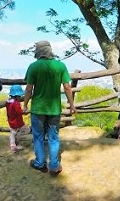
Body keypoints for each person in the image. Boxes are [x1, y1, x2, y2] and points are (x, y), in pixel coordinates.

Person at [23, 40, 75, 176]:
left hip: (38, 108)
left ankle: (40, 163)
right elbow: (67, 87)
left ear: (38, 51)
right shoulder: (60, 66)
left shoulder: (33, 66)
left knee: (38, 136)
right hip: (54, 109)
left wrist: (25, 104)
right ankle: (54, 165)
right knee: (53, 137)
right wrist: (72, 105)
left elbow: (29, 89)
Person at [6, 84, 27, 152]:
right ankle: (16, 141)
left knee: (12, 132)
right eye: (19, 96)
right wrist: (25, 111)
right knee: (25, 130)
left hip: (11, 120)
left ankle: (12, 145)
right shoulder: (16, 103)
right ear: (16, 96)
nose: (20, 97)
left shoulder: (8, 102)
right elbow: (19, 111)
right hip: (17, 121)